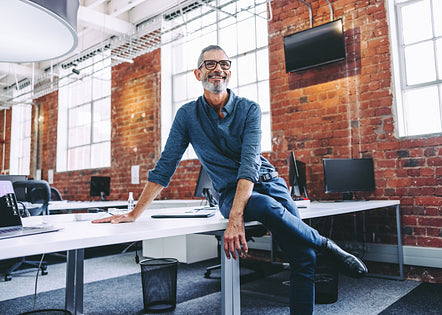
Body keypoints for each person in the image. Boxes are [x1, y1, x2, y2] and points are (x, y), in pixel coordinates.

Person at [92, 45, 367, 314]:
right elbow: (165, 166)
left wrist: (237, 219)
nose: (218, 70)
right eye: (210, 64)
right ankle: (325, 244)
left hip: (268, 181)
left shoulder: (250, 109)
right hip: (229, 192)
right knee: (270, 210)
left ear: (229, 73)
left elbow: (250, 164)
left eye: (224, 64)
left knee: (303, 258)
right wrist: (134, 213)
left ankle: (317, 253)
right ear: (197, 74)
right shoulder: (187, 116)